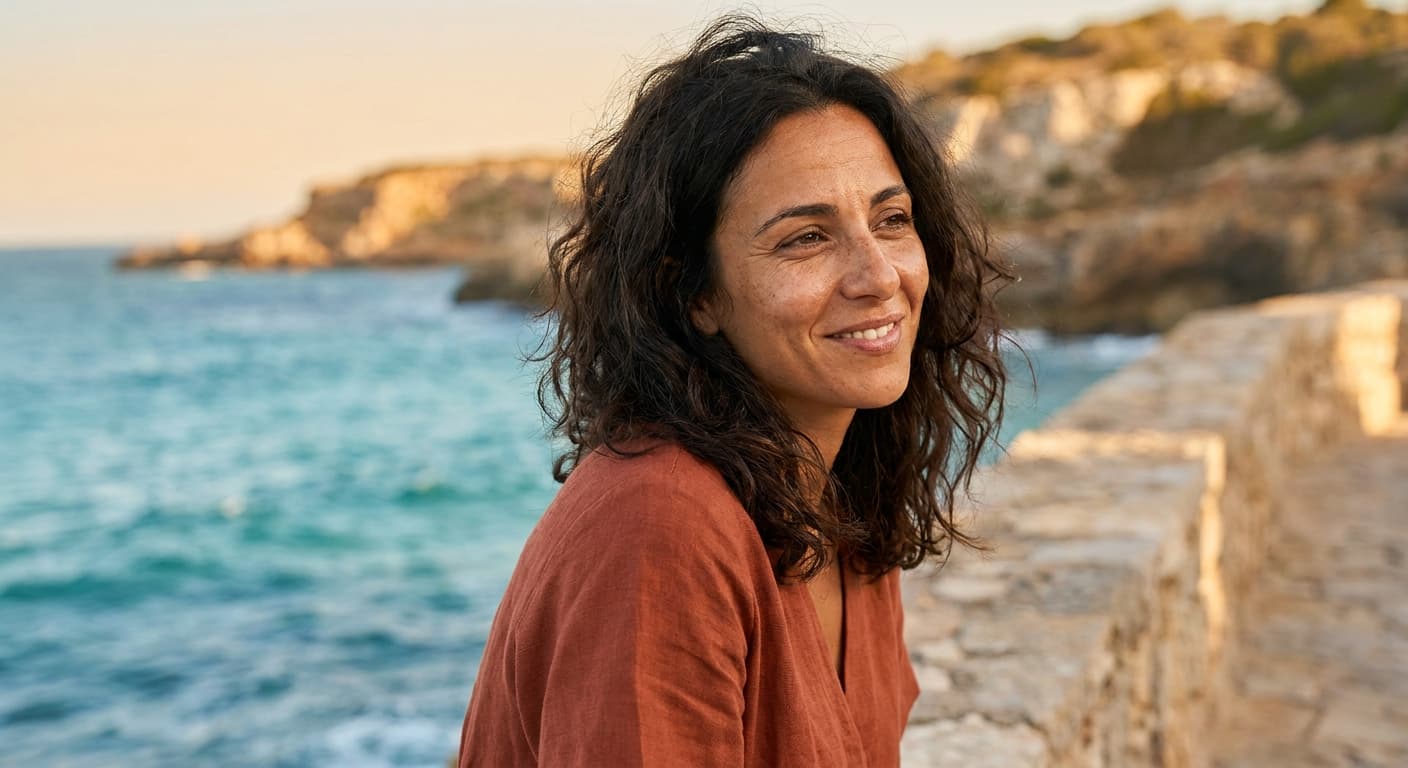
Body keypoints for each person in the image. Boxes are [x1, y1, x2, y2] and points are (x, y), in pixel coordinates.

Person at [458, 14, 1011, 767]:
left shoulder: (840, 502)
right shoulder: (659, 527)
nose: (879, 275)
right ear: (693, 294)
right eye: (805, 238)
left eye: (891, 219)